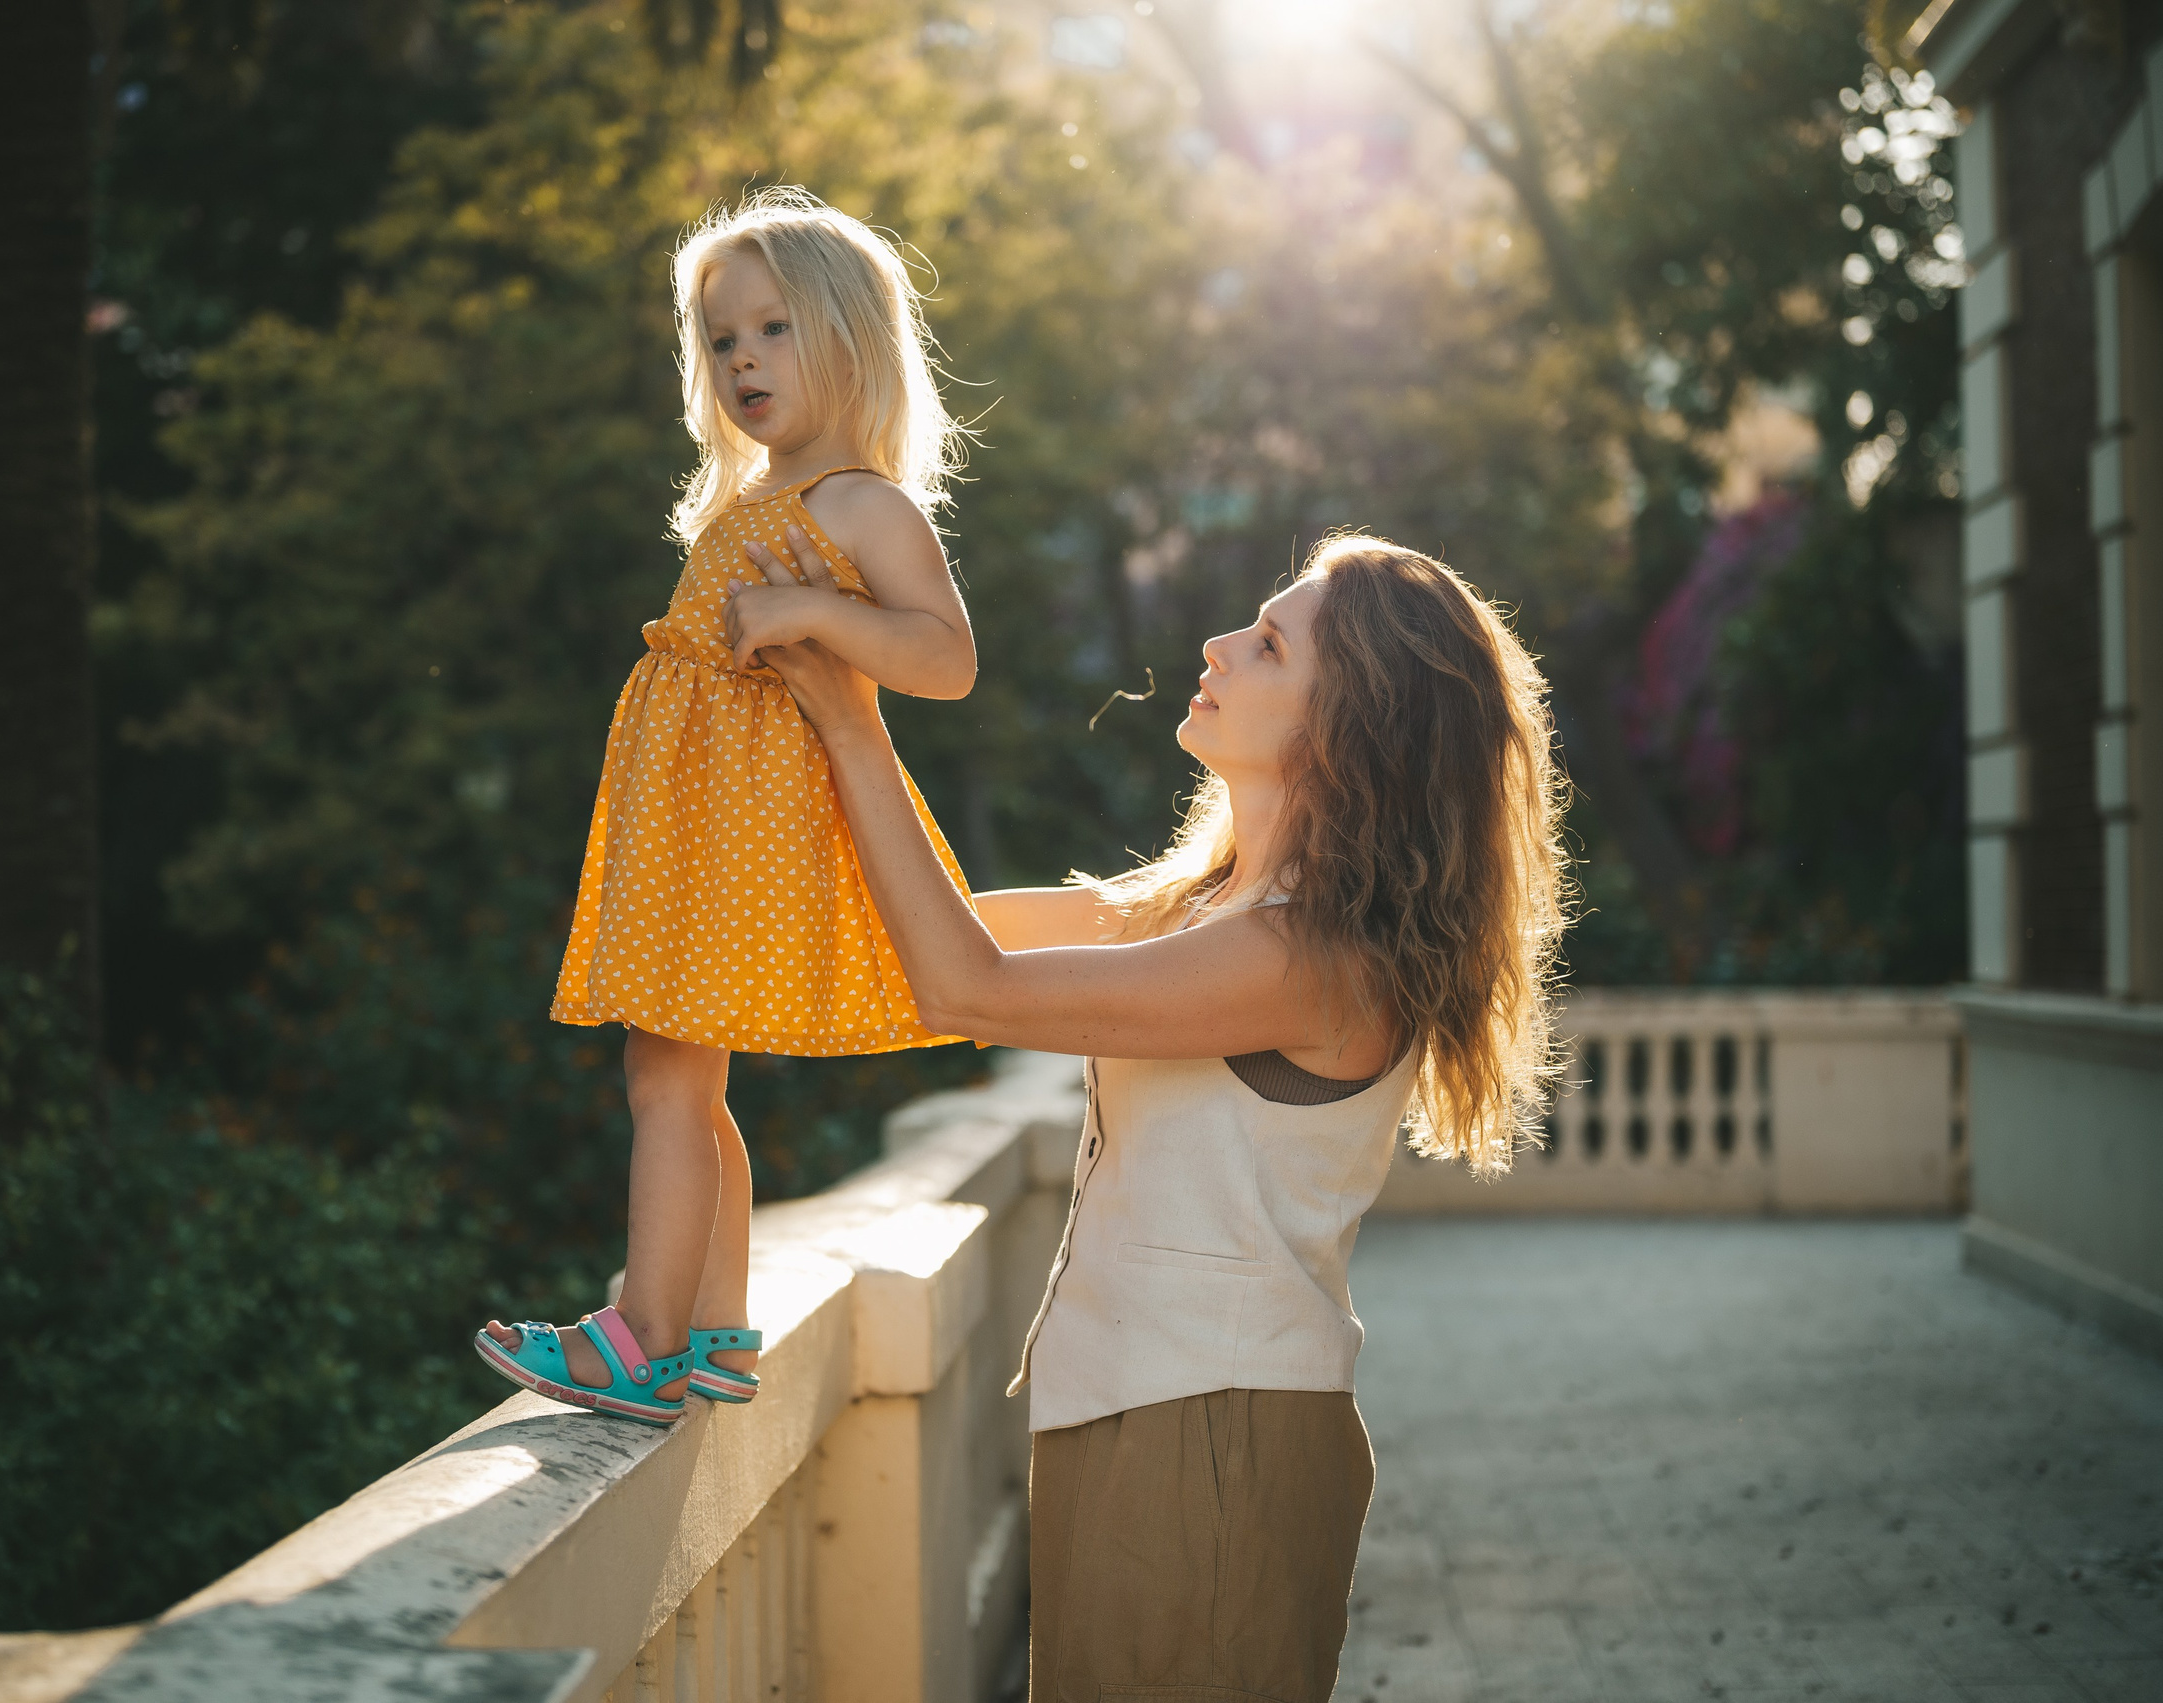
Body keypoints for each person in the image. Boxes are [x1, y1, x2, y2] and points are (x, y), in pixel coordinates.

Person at [736, 529, 1569, 1702]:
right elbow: (918, 937)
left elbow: (966, 985)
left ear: (1348, 729)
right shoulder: (1204, 910)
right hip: (1144, 1413)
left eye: (1269, 643)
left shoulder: (1312, 957)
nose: (1219, 644)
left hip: (1212, 1434)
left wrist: (854, 720)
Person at [475, 188, 979, 1424]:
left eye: (773, 328)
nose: (743, 357)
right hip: (700, 818)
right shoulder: (749, 497)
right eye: (721, 338)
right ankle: (716, 1329)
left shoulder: (859, 500)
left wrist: (816, 613)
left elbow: (946, 656)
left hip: (748, 828)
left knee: (664, 1074)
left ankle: (637, 1334)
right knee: (686, 1081)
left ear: (850, 337)